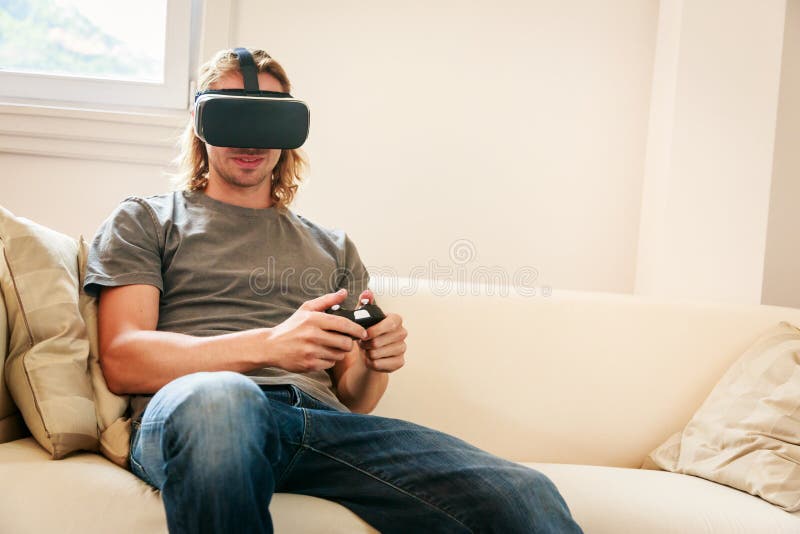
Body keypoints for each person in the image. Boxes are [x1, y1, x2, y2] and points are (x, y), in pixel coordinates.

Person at [84, 47, 583, 534]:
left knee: (522, 490)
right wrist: (269, 345)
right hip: (198, 416)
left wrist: (373, 362)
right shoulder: (147, 219)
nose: (250, 139)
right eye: (233, 116)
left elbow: (354, 398)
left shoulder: (332, 247)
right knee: (223, 403)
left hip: (317, 426)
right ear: (200, 124)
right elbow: (124, 359)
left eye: (268, 121)